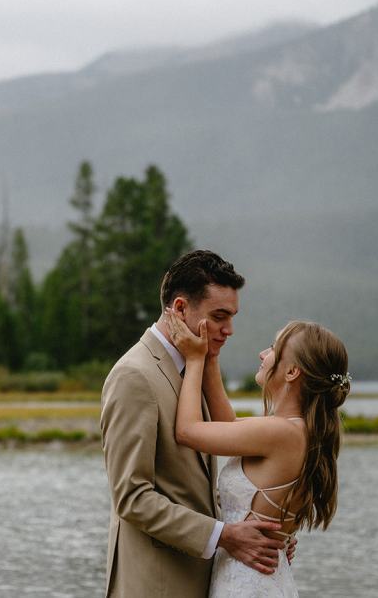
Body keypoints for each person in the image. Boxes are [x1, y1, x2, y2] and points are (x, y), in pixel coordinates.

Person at [100, 250, 291, 598]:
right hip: (154, 585)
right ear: (181, 308)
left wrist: (256, 531)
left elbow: (201, 480)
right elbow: (131, 497)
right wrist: (224, 536)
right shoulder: (134, 376)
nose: (229, 330)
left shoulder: (195, 366)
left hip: (204, 581)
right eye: (219, 316)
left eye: (232, 317)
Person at [167, 312, 350, 597]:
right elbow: (226, 425)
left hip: (248, 585)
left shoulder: (283, 434)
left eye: (274, 348)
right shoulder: (293, 431)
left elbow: (188, 431)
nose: (263, 353)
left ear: (292, 372)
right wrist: (211, 358)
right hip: (257, 579)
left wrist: (194, 361)